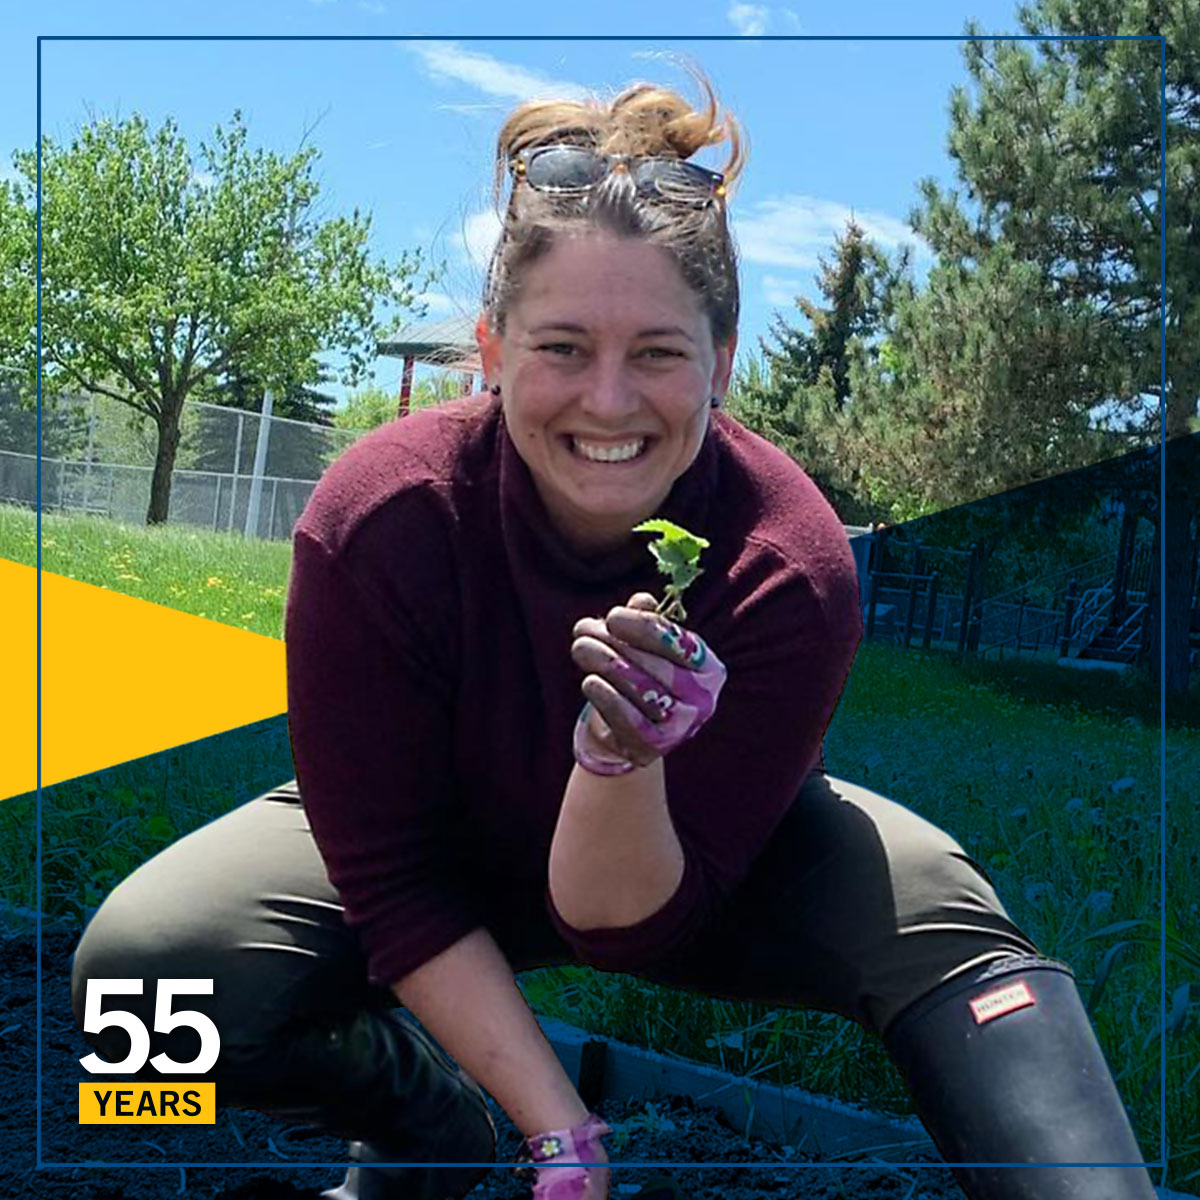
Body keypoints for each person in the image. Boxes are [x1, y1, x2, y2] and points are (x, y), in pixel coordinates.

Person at [71, 65, 1158, 1200]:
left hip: (703, 859)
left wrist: (622, 760)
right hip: (438, 836)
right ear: (493, 351)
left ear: (720, 364)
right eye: (560, 347)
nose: (607, 400)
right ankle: (430, 1133)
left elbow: (623, 929)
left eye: (657, 353)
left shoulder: (788, 560)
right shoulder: (379, 515)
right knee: (134, 988)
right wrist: (558, 1133)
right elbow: (389, 881)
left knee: (945, 923)